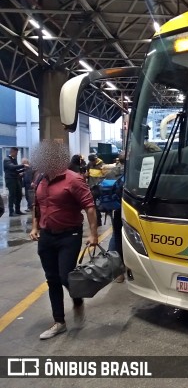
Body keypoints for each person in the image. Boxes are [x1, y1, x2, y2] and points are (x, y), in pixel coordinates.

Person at [29, 141, 99, 340]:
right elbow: (38, 204)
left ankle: (77, 298)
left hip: (70, 235)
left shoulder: (74, 179)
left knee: (64, 276)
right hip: (47, 235)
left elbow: (90, 207)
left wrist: (93, 234)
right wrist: (35, 227)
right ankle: (59, 321)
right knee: (52, 279)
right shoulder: (40, 178)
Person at [107, 152, 126, 283]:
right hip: (132, 208)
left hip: (116, 208)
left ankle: (117, 272)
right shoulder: (134, 170)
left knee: (116, 236)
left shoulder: (113, 171)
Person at [3, 147, 25, 216]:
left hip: (15, 179)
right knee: (12, 195)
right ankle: (11, 212)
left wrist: (23, 170)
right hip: (10, 179)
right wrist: (23, 165)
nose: (16, 154)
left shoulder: (14, 159)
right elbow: (12, 167)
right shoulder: (7, 159)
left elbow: (15, 170)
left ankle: (17, 210)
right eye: (16, 153)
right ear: (12, 151)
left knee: (19, 194)